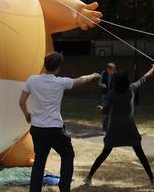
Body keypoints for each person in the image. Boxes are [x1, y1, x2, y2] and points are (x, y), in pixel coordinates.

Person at [18, 52, 101, 192]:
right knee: (68, 155)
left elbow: (21, 101)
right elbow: (81, 79)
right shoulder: (61, 82)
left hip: (37, 128)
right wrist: (93, 75)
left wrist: (27, 114)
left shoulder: (32, 80)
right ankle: (64, 188)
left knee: (39, 161)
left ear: (44, 65)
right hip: (54, 129)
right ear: (58, 68)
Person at [82, 61, 154, 190]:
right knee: (141, 155)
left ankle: (88, 177)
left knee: (104, 154)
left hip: (114, 129)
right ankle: (153, 181)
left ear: (116, 81)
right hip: (129, 129)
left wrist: (100, 108)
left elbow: (105, 111)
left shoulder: (112, 93)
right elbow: (144, 78)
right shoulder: (131, 88)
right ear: (126, 80)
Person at [97, 63, 116, 134]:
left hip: (113, 95)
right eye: (111, 70)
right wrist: (103, 85)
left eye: (113, 70)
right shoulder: (103, 73)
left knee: (113, 112)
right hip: (104, 95)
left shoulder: (116, 74)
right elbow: (99, 83)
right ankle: (105, 130)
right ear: (108, 69)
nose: (112, 72)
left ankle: (112, 128)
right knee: (105, 112)